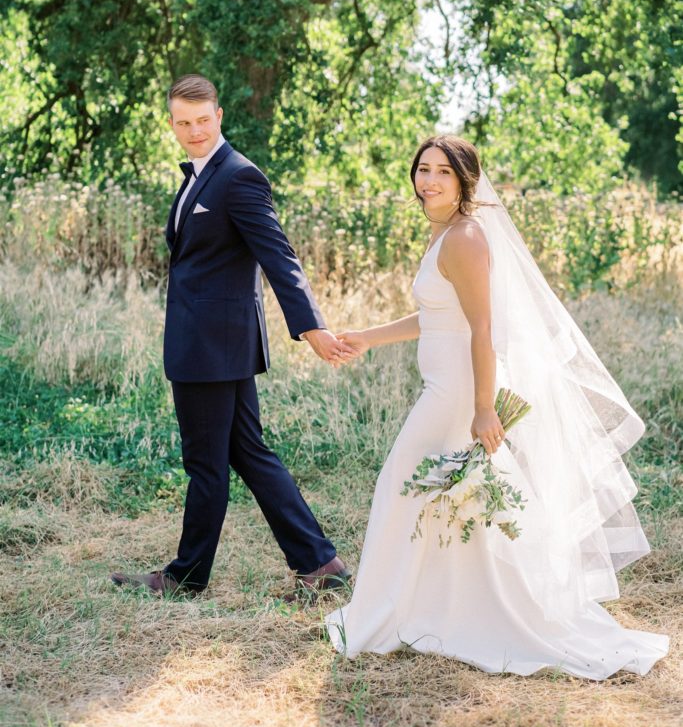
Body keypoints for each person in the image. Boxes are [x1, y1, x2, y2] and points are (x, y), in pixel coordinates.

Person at [326, 135, 668, 678]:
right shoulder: (445, 235)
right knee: (456, 500)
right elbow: (438, 318)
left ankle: (392, 613)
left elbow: (483, 329)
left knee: (405, 485)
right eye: (423, 169)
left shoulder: (464, 238)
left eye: (443, 172)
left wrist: (483, 408)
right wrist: (368, 336)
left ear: (465, 181)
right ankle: (436, 607)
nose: (429, 180)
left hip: (458, 391)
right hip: (446, 385)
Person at [112, 73, 353, 597]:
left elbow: (278, 255)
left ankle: (185, 578)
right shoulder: (201, 174)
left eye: (202, 120)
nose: (194, 130)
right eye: (183, 122)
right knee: (248, 451)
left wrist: (311, 327)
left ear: (219, 115)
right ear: (172, 123)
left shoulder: (238, 175)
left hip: (213, 348)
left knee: (205, 463)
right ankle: (320, 565)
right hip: (213, 341)